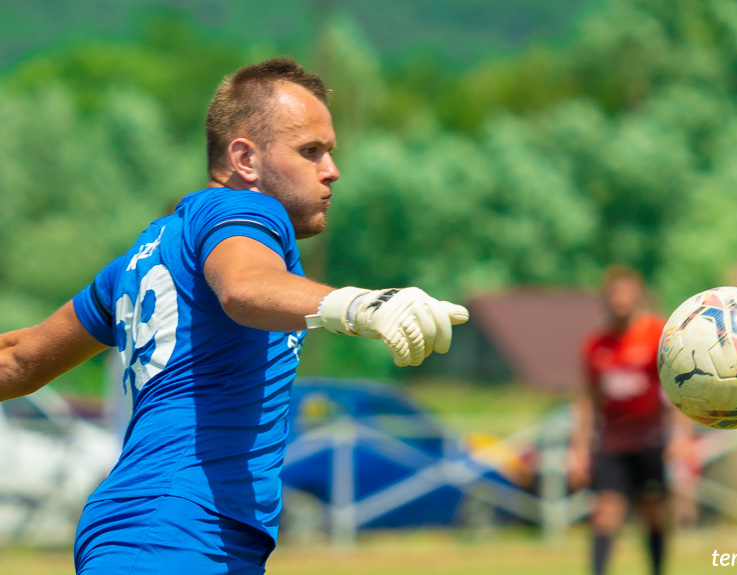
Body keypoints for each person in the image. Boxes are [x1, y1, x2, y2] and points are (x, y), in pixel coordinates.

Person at [0, 57, 468, 575]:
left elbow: (19, 359)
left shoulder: (141, 258)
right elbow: (244, 288)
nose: (331, 169)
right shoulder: (244, 209)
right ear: (245, 158)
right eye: (310, 151)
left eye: (330, 152)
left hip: (151, 528)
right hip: (174, 531)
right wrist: (360, 305)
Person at [568, 266, 686, 575]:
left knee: (653, 514)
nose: (620, 301)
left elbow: (679, 387)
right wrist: (578, 448)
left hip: (650, 439)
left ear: (638, 296)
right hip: (612, 441)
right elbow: (587, 399)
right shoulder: (597, 344)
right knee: (605, 514)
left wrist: (680, 435)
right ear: (605, 300)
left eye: (626, 294)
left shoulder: (658, 336)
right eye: (614, 295)